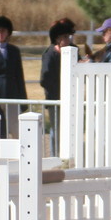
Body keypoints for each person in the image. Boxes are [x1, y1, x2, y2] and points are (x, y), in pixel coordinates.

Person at [40, 18, 75, 152]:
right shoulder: (49, 54)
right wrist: (59, 91)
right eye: (65, 37)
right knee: (57, 130)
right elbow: (44, 79)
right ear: (57, 39)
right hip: (55, 99)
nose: (68, 39)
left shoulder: (73, 50)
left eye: (68, 36)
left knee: (70, 129)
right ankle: (55, 156)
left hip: (71, 99)